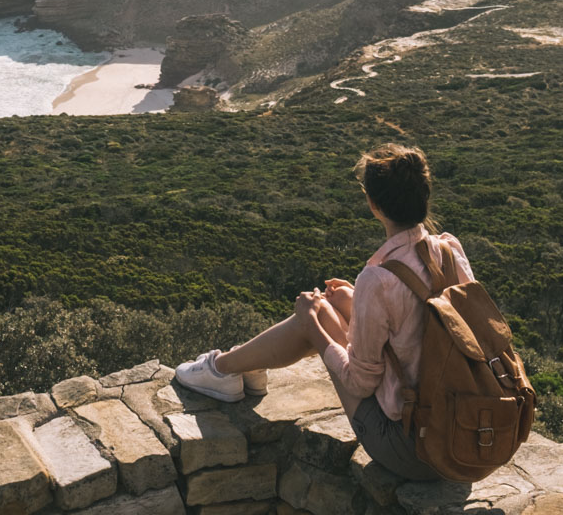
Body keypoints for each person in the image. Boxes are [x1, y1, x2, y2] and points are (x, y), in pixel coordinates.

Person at [173, 143, 474, 481]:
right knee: (329, 304)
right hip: (465, 434)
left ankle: (223, 368)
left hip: (415, 450)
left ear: (374, 205)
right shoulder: (450, 249)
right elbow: (426, 329)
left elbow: (360, 383)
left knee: (313, 313)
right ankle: (242, 365)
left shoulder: (379, 280)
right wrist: (356, 297)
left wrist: (313, 324)